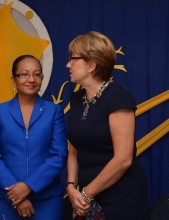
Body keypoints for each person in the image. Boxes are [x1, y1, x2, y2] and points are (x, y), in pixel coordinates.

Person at [66, 31, 150, 219]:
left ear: (91, 65)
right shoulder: (77, 98)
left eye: (73, 59)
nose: (68, 65)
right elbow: (73, 149)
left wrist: (87, 194)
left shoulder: (117, 96)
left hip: (121, 196)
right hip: (86, 197)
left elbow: (123, 159)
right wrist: (71, 186)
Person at [0, 55, 68, 219]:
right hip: (6, 197)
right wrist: (17, 194)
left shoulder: (54, 111)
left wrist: (28, 186)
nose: (32, 79)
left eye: (37, 74)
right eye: (24, 74)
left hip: (47, 198)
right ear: (13, 79)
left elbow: (58, 155)